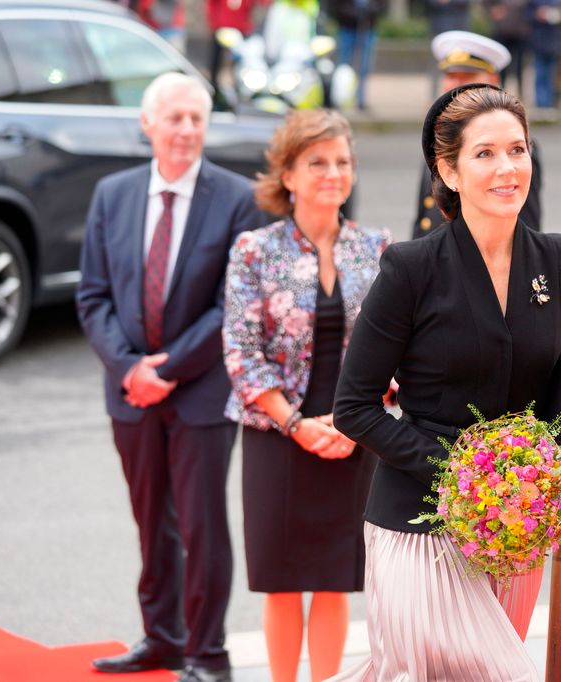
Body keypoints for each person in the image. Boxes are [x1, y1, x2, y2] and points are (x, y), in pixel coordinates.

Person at [329, 83, 561, 680]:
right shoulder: (410, 268)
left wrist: (548, 481)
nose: (508, 168)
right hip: (418, 526)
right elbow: (353, 408)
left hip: (515, 535)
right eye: (485, 154)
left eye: (518, 150)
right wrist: (467, 474)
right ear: (447, 170)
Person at [77, 73, 262, 682]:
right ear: (147, 123)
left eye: (196, 119)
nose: (186, 130)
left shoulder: (236, 197)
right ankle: (163, 638)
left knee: (203, 525)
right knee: (151, 519)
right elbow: (94, 296)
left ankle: (208, 655)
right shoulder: (113, 194)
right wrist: (130, 369)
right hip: (130, 391)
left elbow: (229, 305)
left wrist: (170, 369)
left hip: (202, 390)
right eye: (174, 118)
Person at [222, 110, 390, 682]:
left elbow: (397, 350)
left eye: (342, 162)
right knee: (283, 578)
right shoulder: (254, 249)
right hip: (277, 435)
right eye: (317, 162)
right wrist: (296, 423)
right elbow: (241, 352)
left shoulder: (378, 248)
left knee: (335, 575)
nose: (332, 173)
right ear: (288, 174)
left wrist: (353, 422)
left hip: (351, 436)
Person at [412, 30, 543, 239]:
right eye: (451, 76)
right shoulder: (440, 134)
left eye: (467, 77)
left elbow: (524, 226)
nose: (456, 86)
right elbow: (425, 217)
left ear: (493, 79)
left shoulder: (514, 144)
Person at [328, 0, 385, 111]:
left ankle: (361, 99)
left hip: (368, 26)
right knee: (343, 66)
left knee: (364, 67)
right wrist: (351, 13)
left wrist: (372, 11)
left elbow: (381, 4)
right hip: (347, 26)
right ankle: (339, 97)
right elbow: (335, 5)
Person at [529, 0, 561, 115]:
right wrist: (538, 15)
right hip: (539, 42)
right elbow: (527, 15)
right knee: (540, 74)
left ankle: (548, 104)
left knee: (551, 75)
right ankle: (540, 104)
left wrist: (558, 15)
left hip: (555, 43)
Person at [483, 0, 530, 97]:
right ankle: (500, 91)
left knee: (520, 66)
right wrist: (492, 10)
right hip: (502, 31)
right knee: (500, 65)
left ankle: (520, 94)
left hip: (521, 32)